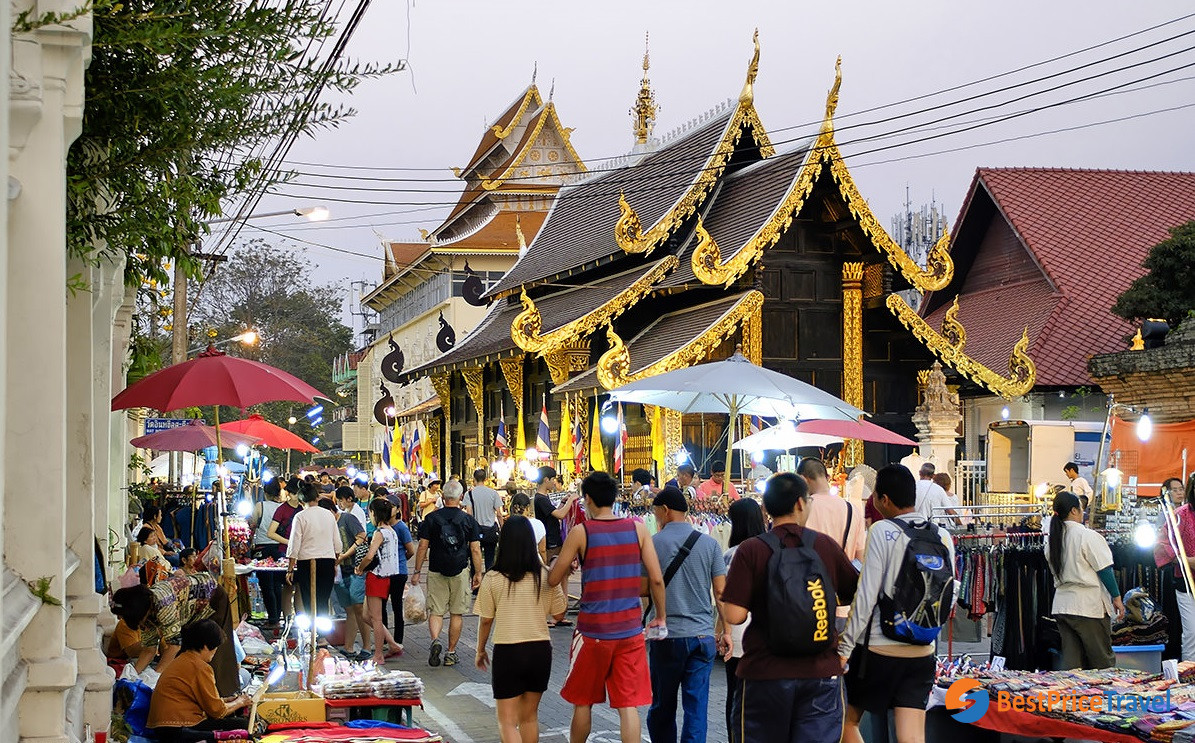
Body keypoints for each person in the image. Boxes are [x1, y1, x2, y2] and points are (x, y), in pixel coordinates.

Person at [721, 473, 858, 743]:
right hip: (820, 672)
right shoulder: (824, 546)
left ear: (766, 508)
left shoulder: (751, 550)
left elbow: (734, 615)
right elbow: (855, 593)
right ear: (799, 503)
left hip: (764, 673)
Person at [840, 465, 956, 743]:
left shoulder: (882, 530)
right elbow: (951, 591)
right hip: (923, 652)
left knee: (846, 722)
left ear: (885, 499)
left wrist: (844, 648)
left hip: (879, 651)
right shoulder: (942, 535)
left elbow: (866, 595)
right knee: (912, 737)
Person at [548, 471, 667, 743]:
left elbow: (555, 579)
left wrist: (553, 564)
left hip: (592, 631)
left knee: (583, 701)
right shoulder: (637, 528)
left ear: (587, 499)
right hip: (629, 629)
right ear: (614, 498)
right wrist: (660, 616)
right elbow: (656, 579)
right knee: (628, 705)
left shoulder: (581, 532)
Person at [644, 486, 729, 743]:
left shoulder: (652, 544)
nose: (655, 516)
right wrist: (726, 631)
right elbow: (721, 593)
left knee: (662, 706)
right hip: (702, 636)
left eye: (656, 511)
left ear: (665, 511)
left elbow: (640, 587)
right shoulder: (710, 544)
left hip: (667, 637)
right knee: (696, 709)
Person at [475, 516, 568, 743]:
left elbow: (486, 620)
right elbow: (559, 614)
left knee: (507, 721)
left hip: (508, 651)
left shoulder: (493, 578)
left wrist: (480, 650)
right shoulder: (544, 576)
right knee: (529, 717)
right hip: (540, 651)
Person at [111, 571, 239, 693]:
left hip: (212, 599)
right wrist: (132, 676)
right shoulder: (145, 614)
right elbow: (149, 649)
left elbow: (175, 645)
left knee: (209, 651)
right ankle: (193, 694)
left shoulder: (163, 604)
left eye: (122, 616)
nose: (120, 620)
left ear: (133, 612)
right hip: (188, 611)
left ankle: (221, 696)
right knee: (185, 657)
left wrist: (156, 675)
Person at [1047, 490, 1125, 670]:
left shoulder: (1053, 541)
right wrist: (1117, 597)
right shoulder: (1087, 536)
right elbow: (1104, 569)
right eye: (1082, 509)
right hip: (1088, 606)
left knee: (1073, 665)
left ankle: (1074, 698)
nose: (1084, 512)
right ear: (1074, 511)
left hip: (1063, 605)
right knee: (1102, 663)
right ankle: (1105, 698)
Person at [146, 619, 251, 743]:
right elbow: (218, 712)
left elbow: (209, 702)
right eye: (215, 648)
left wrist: (226, 701)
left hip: (165, 726)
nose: (215, 652)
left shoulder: (182, 659)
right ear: (206, 646)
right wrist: (240, 701)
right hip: (178, 728)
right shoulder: (200, 667)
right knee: (243, 726)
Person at [412, 487, 483, 667]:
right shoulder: (468, 520)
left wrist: (417, 571)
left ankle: (435, 640)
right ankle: (451, 652)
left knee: (436, 611)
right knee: (456, 613)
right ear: (460, 497)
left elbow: (422, 546)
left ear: (442, 497)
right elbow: (475, 549)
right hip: (460, 571)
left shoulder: (431, 519)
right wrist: (478, 573)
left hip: (436, 570)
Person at [716, 498, 765, 737]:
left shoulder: (731, 555)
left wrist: (721, 630)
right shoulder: (770, 548)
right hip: (765, 633)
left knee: (735, 695)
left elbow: (723, 597)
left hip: (737, 633)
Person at [356, 499, 406, 664]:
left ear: (374, 513)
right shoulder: (391, 530)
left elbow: (370, 556)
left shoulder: (380, 532)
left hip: (377, 576)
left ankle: (378, 654)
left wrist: (360, 568)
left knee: (375, 618)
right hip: (385, 576)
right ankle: (392, 643)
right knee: (366, 615)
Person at [286, 480, 342, 620]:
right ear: (317, 497)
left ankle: (313, 631)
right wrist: (335, 562)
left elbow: (294, 544)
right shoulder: (329, 515)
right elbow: (337, 543)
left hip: (306, 562)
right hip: (327, 562)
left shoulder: (300, 516)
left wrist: (290, 568)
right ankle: (321, 635)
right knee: (323, 599)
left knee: (309, 599)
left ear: (301, 501)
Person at [1156, 474, 1195, 660]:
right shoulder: (1180, 515)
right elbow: (1163, 546)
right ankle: (1189, 681)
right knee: (1192, 634)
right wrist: (1186, 561)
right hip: (1186, 584)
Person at [799, 457, 865, 564]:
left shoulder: (802, 510)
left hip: (814, 578)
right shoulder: (852, 509)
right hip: (844, 577)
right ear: (828, 477)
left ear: (803, 479)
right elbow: (860, 558)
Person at [333, 486, 371, 660]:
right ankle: (348, 647)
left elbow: (362, 536)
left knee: (358, 607)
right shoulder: (331, 523)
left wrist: (345, 555)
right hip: (340, 570)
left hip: (355, 568)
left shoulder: (349, 517)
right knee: (349, 609)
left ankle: (367, 647)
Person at [250, 478, 286, 627]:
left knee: (266, 586)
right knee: (278, 585)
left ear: (265, 492)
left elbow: (252, 524)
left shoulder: (260, 506)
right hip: (279, 547)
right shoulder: (283, 507)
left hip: (262, 548)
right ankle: (277, 616)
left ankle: (273, 619)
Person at [267, 477, 303, 620]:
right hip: (285, 553)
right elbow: (271, 533)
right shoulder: (282, 510)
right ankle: (287, 619)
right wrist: (289, 542)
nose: (297, 496)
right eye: (294, 493)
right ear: (288, 493)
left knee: (300, 587)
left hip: (302, 553)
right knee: (288, 586)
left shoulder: (303, 508)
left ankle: (301, 619)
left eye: (299, 493)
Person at [385, 498, 416, 647]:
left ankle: (398, 640)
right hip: (385, 571)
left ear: (398, 509)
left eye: (390, 506)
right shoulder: (383, 527)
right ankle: (385, 639)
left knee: (397, 606)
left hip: (398, 572)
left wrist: (401, 559)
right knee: (382, 606)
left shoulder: (401, 528)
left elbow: (411, 550)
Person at [533, 466, 577, 563]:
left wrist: (562, 502)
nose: (554, 482)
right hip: (550, 542)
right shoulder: (541, 499)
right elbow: (560, 515)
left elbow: (554, 513)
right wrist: (571, 500)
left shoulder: (544, 497)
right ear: (546, 480)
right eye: (553, 479)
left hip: (554, 540)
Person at [464, 468, 505, 571]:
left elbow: (469, 514)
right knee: (490, 560)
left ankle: (475, 582)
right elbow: (499, 514)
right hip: (490, 530)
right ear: (486, 479)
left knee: (474, 560)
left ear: (474, 479)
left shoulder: (469, 494)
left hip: (475, 531)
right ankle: (488, 582)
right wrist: (503, 528)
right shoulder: (493, 493)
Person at [510, 492, 548, 563]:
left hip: (514, 562)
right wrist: (545, 563)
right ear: (528, 507)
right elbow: (542, 550)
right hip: (534, 562)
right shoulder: (538, 524)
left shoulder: (509, 524)